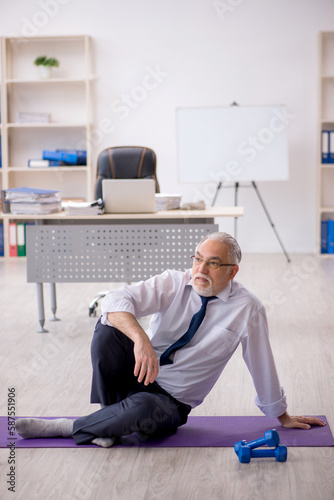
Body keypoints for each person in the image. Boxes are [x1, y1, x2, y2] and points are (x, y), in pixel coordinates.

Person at [16, 232, 325, 446]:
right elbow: (114, 299)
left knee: (143, 413)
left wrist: (281, 415)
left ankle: (72, 427)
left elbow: (261, 363)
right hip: (141, 369)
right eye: (197, 259)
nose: (200, 269)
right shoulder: (175, 282)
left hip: (169, 402)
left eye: (213, 263)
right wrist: (141, 339)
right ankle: (108, 420)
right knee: (108, 329)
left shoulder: (249, 309)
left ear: (232, 272)